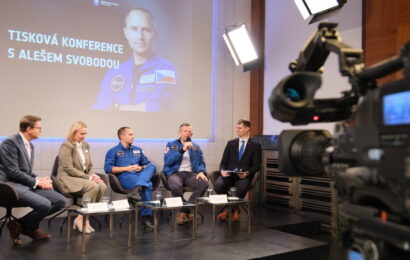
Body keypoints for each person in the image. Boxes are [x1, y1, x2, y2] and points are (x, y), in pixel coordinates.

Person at [93, 8, 177, 112]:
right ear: (126, 33)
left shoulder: (166, 69)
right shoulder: (114, 71)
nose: (140, 36)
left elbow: (157, 107)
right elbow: (101, 107)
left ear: (154, 33)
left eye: (146, 30)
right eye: (134, 29)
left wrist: (117, 107)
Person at [0, 115, 66, 245]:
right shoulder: (10, 142)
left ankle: (19, 225)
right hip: (9, 185)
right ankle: (30, 229)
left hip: (24, 183)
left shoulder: (30, 146)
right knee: (44, 204)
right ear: (29, 129)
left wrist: (38, 178)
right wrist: (37, 182)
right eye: (39, 128)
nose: (41, 131)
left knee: (61, 201)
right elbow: (12, 172)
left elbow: (26, 172)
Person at [57, 121, 107, 233]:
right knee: (93, 186)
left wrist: (93, 175)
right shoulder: (66, 145)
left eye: (85, 133)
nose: (84, 136)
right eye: (81, 134)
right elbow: (69, 168)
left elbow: (89, 165)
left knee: (102, 186)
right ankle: (82, 218)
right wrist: (88, 178)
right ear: (73, 133)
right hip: (67, 177)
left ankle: (84, 218)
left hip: (82, 177)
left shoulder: (85, 145)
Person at [104, 127, 156, 228]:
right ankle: (146, 217)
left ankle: (136, 190)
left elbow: (147, 164)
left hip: (139, 174)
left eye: (133, 134)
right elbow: (108, 168)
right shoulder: (113, 151)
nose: (133, 136)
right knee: (148, 184)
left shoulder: (138, 149)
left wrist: (140, 167)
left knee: (152, 166)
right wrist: (127, 168)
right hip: (125, 176)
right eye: (130, 134)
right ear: (122, 136)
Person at [214, 119, 261, 222]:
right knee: (218, 185)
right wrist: (222, 171)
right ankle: (235, 208)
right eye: (237, 128)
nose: (237, 130)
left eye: (239, 128)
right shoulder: (231, 143)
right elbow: (223, 162)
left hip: (243, 176)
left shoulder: (255, 145)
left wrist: (247, 173)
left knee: (242, 188)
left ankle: (227, 211)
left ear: (247, 129)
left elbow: (256, 166)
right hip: (229, 175)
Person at [163, 123, 208, 224]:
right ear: (179, 132)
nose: (187, 133)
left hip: (190, 174)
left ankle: (184, 211)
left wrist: (201, 171)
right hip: (175, 173)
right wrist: (182, 150)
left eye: (189, 132)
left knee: (203, 183)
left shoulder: (195, 146)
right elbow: (168, 161)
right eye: (185, 131)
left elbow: (201, 162)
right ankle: (188, 211)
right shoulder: (171, 144)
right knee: (175, 184)